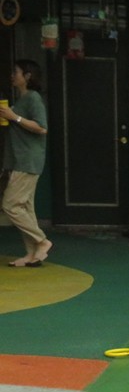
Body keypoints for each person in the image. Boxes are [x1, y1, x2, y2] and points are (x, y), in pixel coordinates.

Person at [2, 59, 51, 267]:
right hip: (19, 159)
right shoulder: (21, 100)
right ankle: (32, 254)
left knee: (10, 205)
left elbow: (42, 127)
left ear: (27, 76)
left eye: (16, 72)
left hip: (28, 160)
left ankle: (42, 241)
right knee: (26, 207)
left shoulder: (33, 98)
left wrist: (15, 117)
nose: (13, 75)